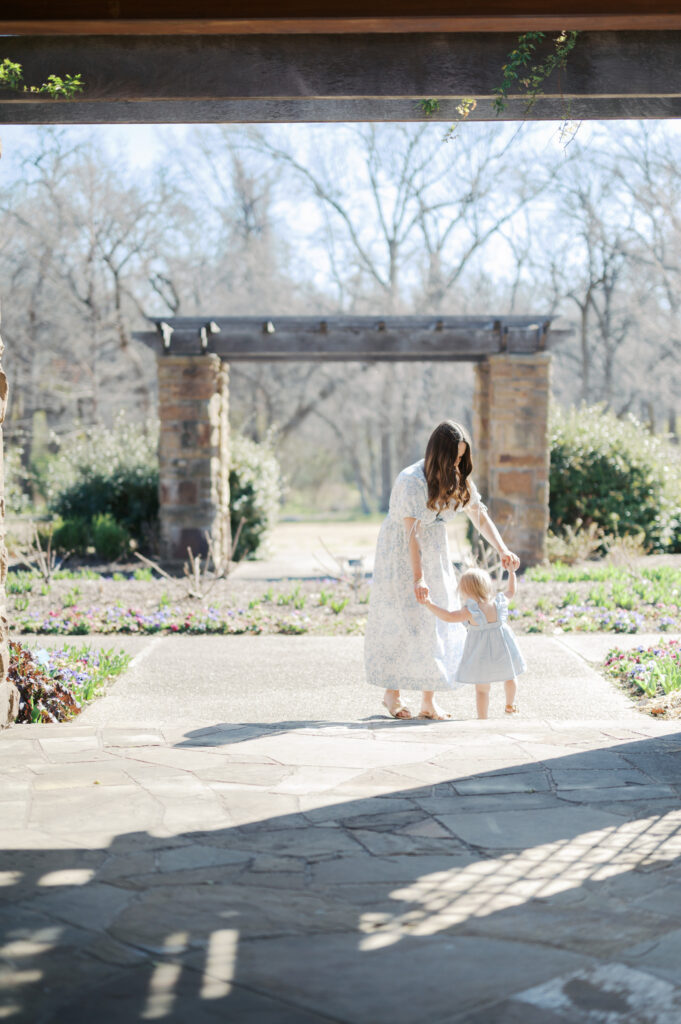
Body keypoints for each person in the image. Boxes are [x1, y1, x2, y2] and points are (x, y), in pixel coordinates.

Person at [364, 420, 520, 721]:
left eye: (462, 457)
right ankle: (392, 693)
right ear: (439, 453)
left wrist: (503, 549)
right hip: (402, 552)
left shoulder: (458, 478)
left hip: (434, 550)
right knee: (404, 617)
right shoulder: (411, 481)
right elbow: (412, 534)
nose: (458, 463)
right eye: (454, 457)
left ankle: (428, 701)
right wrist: (418, 577)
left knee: (436, 618)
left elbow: (478, 514)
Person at [425, 566, 526, 719]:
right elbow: (511, 591)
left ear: (465, 591)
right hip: (503, 650)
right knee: (510, 676)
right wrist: (511, 573)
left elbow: (448, 616)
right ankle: (510, 705)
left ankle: (482, 718)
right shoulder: (498, 603)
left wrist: (429, 604)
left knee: (482, 689)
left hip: (481, 654)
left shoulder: (470, 610)